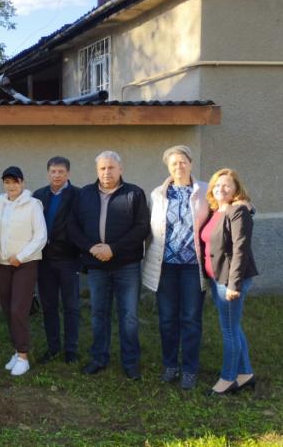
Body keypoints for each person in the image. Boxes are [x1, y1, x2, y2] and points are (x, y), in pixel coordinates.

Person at [69, 151, 150, 380]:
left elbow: (142, 228)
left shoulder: (134, 193)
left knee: (129, 315)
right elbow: (73, 226)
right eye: (102, 168)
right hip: (96, 265)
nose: (107, 172)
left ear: (120, 169)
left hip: (127, 265)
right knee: (98, 313)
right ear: (97, 171)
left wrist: (113, 248)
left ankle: (131, 362)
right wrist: (91, 248)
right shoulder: (84, 194)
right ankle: (98, 358)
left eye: (111, 168)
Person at [142, 146, 209, 390]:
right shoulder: (157, 194)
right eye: (174, 163)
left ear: (190, 163)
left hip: (192, 267)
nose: (178, 166)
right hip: (165, 267)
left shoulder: (205, 190)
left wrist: (244, 208)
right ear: (168, 167)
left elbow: (225, 207)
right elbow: (148, 228)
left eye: (182, 162)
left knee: (191, 319)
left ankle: (190, 369)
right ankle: (170, 365)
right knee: (167, 319)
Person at [200, 168, 258, 396]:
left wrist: (234, 285)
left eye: (226, 185)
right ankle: (245, 374)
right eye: (217, 185)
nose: (220, 189)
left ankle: (228, 378)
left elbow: (240, 250)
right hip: (216, 278)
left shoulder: (238, 211)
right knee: (234, 326)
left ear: (236, 189)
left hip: (230, 280)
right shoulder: (216, 211)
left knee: (229, 330)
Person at [0, 166, 47, 376]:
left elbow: (41, 236)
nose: (11, 186)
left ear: (22, 183)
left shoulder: (33, 205)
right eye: (7, 182)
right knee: (7, 309)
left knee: (18, 310)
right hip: (1, 264)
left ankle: (23, 356)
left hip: (25, 264)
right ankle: (16, 350)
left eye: (15, 181)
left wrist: (20, 256)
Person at [32, 156, 82, 365]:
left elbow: (83, 225)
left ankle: (71, 350)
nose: (57, 175)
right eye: (53, 171)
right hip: (44, 260)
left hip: (69, 259)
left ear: (68, 173)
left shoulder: (78, 195)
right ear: (48, 173)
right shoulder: (38, 196)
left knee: (71, 306)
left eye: (61, 172)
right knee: (49, 306)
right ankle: (53, 348)